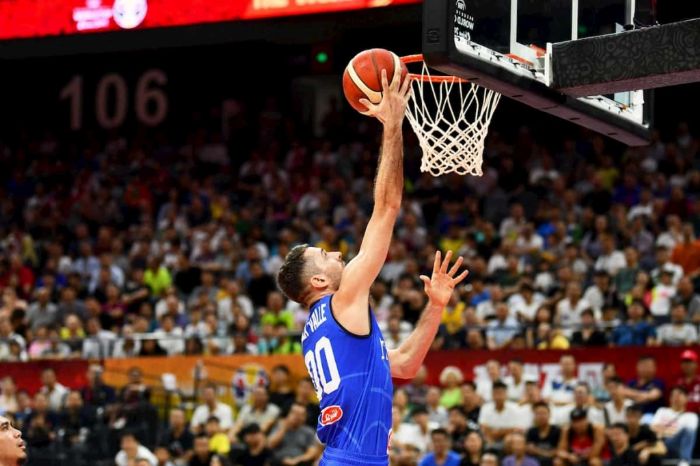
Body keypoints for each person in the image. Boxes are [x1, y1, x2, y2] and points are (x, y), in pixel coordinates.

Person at [276, 69, 468, 466]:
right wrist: (392, 125)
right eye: (325, 255)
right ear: (318, 280)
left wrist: (435, 306)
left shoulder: (322, 330)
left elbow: (405, 364)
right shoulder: (341, 302)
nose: (337, 254)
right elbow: (387, 207)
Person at [650, 386, 698, 466]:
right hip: (662, 443)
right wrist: (672, 431)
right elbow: (652, 427)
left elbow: (689, 434)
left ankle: (684, 462)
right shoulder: (662, 411)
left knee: (688, 431)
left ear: (686, 398)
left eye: (679, 395)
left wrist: (662, 430)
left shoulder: (691, 416)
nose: (676, 397)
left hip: (677, 444)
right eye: (673, 395)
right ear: (669, 398)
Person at [478, 381, 525, 452]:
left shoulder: (515, 408)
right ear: (492, 395)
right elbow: (483, 427)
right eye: (496, 393)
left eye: (501, 393)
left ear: (506, 394)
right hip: (491, 437)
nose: (499, 396)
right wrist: (504, 431)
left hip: (509, 438)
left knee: (510, 439)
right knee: (483, 438)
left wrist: (497, 432)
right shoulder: (486, 407)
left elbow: (517, 429)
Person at [526, 402, 560, 466]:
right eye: (538, 414)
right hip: (535, 461)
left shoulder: (557, 430)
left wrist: (538, 451)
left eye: (544, 413)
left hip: (552, 461)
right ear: (534, 416)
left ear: (550, 415)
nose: (541, 416)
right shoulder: (531, 431)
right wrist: (548, 453)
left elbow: (558, 451)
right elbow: (530, 450)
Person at [676, 349, 700, 413]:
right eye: (684, 362)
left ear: (696, 364)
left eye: (689, 362)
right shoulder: (676, 382)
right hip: (680, 414)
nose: (687, 365)